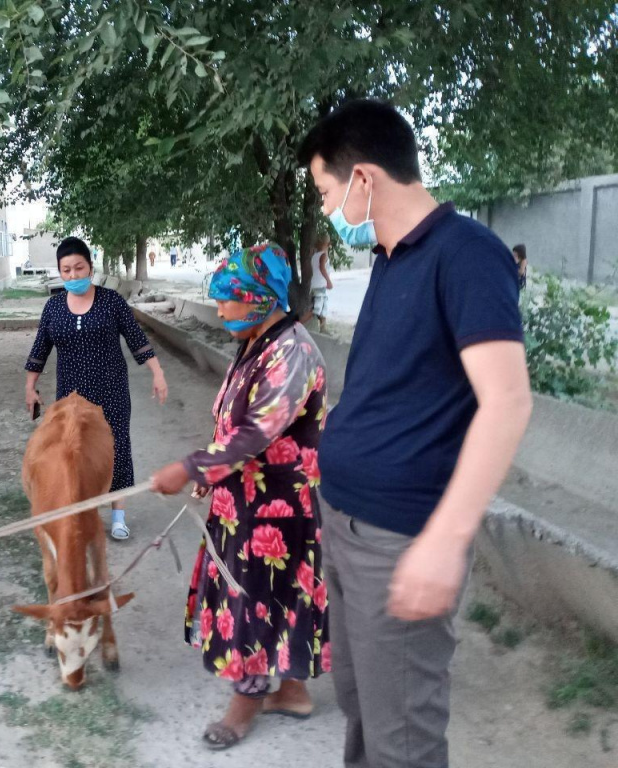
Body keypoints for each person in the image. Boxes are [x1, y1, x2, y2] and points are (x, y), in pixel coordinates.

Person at [297, 99, 532, 767]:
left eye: (326, 191)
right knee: (362, 707)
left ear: (364, 179)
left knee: (404, 739)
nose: (325, 208)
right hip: (345, 523)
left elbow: (508, 402)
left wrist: (444, 542)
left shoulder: (467, 255)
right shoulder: (391, 258)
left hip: (401, 539)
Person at [152, 243, 330, 751]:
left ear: (259, 298)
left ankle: (245, 704)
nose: (221, 309)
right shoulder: (258, 342)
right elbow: (231, 425)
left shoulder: (292, 353)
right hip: (246, 500)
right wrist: (211, 474)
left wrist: (189, 467)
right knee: (284, 597)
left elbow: (255, 434)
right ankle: (292, 692)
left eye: (230, 299)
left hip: (275, 509)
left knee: (256, 599)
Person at [25, 236, 169, 541]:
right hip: (71, 399)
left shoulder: (111, 302)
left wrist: (157, 374)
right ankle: (82, 513)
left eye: (79, 267)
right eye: (66, 270)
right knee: (74, 453)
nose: (73, 275)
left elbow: (136, 339)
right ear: (60, 272)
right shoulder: (53, 308)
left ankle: (118, 516)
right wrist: (30, 387)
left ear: (90, 266)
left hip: (111, 391)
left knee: (117, 450)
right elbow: (40, 349)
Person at [306, 234, 334, 332]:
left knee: (321, 307)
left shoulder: (315, 256)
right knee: (318, 309)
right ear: (328, 243)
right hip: (320, 285)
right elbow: (322, 268)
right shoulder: (323, 255)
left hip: (315, 285)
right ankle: (300, 324)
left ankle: (323, 328)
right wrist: (329, 281)